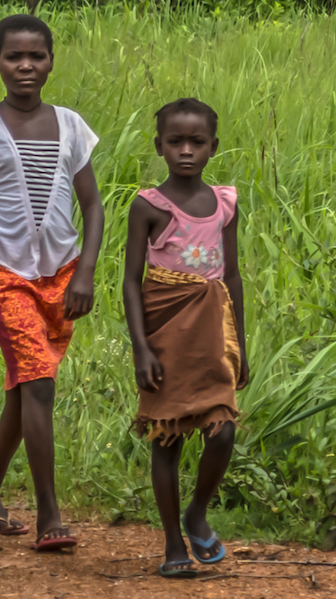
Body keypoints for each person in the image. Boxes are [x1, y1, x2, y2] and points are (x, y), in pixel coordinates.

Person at [0, 14, 102, 551]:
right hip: (2, 271)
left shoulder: (70, 125)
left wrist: (85, 270)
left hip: (61, 274)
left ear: (50, 62)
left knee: (27, 385)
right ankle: (49, 514)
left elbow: (92, 205)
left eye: (36, 56)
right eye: (13, 56)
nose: (25, 65)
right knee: (39, 382)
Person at [120, 98, 249, 579]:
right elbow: (131, 281)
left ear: (214, 146)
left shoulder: (225, 204)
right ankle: (173, 542)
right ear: (159, 146)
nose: (187, 151)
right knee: (167, 438)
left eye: (197, 142)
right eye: (176, 142)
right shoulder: (148, 206)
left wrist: (240, 346)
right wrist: (141, 348)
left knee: (224, 430)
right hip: (165, 333)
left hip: (212, 332)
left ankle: (198, 513)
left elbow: (231, 277)